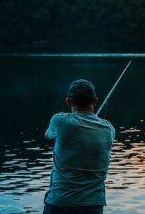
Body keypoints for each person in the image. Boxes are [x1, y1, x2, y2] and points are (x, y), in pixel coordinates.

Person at [43, 79, 115, 214]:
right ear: (96, 101)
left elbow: (47, 135)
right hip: (94, 205)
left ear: (68, 101)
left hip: (60, 202)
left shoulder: (59, 121)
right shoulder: (109, 129)